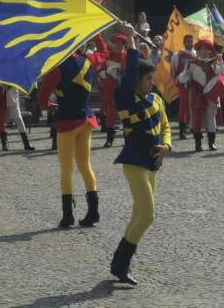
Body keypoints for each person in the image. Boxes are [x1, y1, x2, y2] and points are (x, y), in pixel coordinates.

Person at [109, 24, 172, 287]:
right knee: (147, 215)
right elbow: (132, 69)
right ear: (136, 80)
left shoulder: (156, 100)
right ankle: (121, 263)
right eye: (148, 79)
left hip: (153, 162)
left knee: (139, 214)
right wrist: (132, 40)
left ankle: (118, 265)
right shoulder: (126, 98)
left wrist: (167, 146)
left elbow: (166, 127)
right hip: (135, 161)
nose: (152, 82)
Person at [36, 37, 105, 229]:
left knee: (66, 169)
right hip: (87, 119)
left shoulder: (56, 68)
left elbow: (42, 99)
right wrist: (98, 35)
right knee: (85, 166)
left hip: (67, 121)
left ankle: (68, 216)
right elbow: (104, 53)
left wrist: (51, 106)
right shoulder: (89, 61)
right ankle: (93, 212)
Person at [178, 39, 224, 152]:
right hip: (197, 93)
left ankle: (212, 143)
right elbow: (182, 78)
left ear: (210, 51)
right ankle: (198, 144)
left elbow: (222, 74)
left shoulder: (214, 63)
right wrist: (186, 74)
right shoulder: (192, 63)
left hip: (211, 94)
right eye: (202, 49)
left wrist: (221, 62)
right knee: (197, 118)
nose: (205, 51)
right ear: (199, 50)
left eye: (207, 49)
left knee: (211, 117)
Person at [96, 32, 127, 148]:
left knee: (126, 115)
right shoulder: (107, 56)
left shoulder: (127, 56)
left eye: (121, 44)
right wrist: (106, 72)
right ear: (112, 44)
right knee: (111, 115)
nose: (119, 46)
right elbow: (99, 72)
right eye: (116, 44)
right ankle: (110, 139)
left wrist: (121, 73)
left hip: (123, 90)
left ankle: (127, 138)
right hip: (110, 90)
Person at [169, 34, 196, 140]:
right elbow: (173, 71)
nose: (190, 43)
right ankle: (182, 131)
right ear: (184, 42)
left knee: (194, 106)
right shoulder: (177, 55)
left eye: (191, 41)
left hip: (195, 85)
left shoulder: (196, 54)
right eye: (188, 41)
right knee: (184, 107)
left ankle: (194, 127)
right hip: (184, 85)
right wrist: (178, 81)